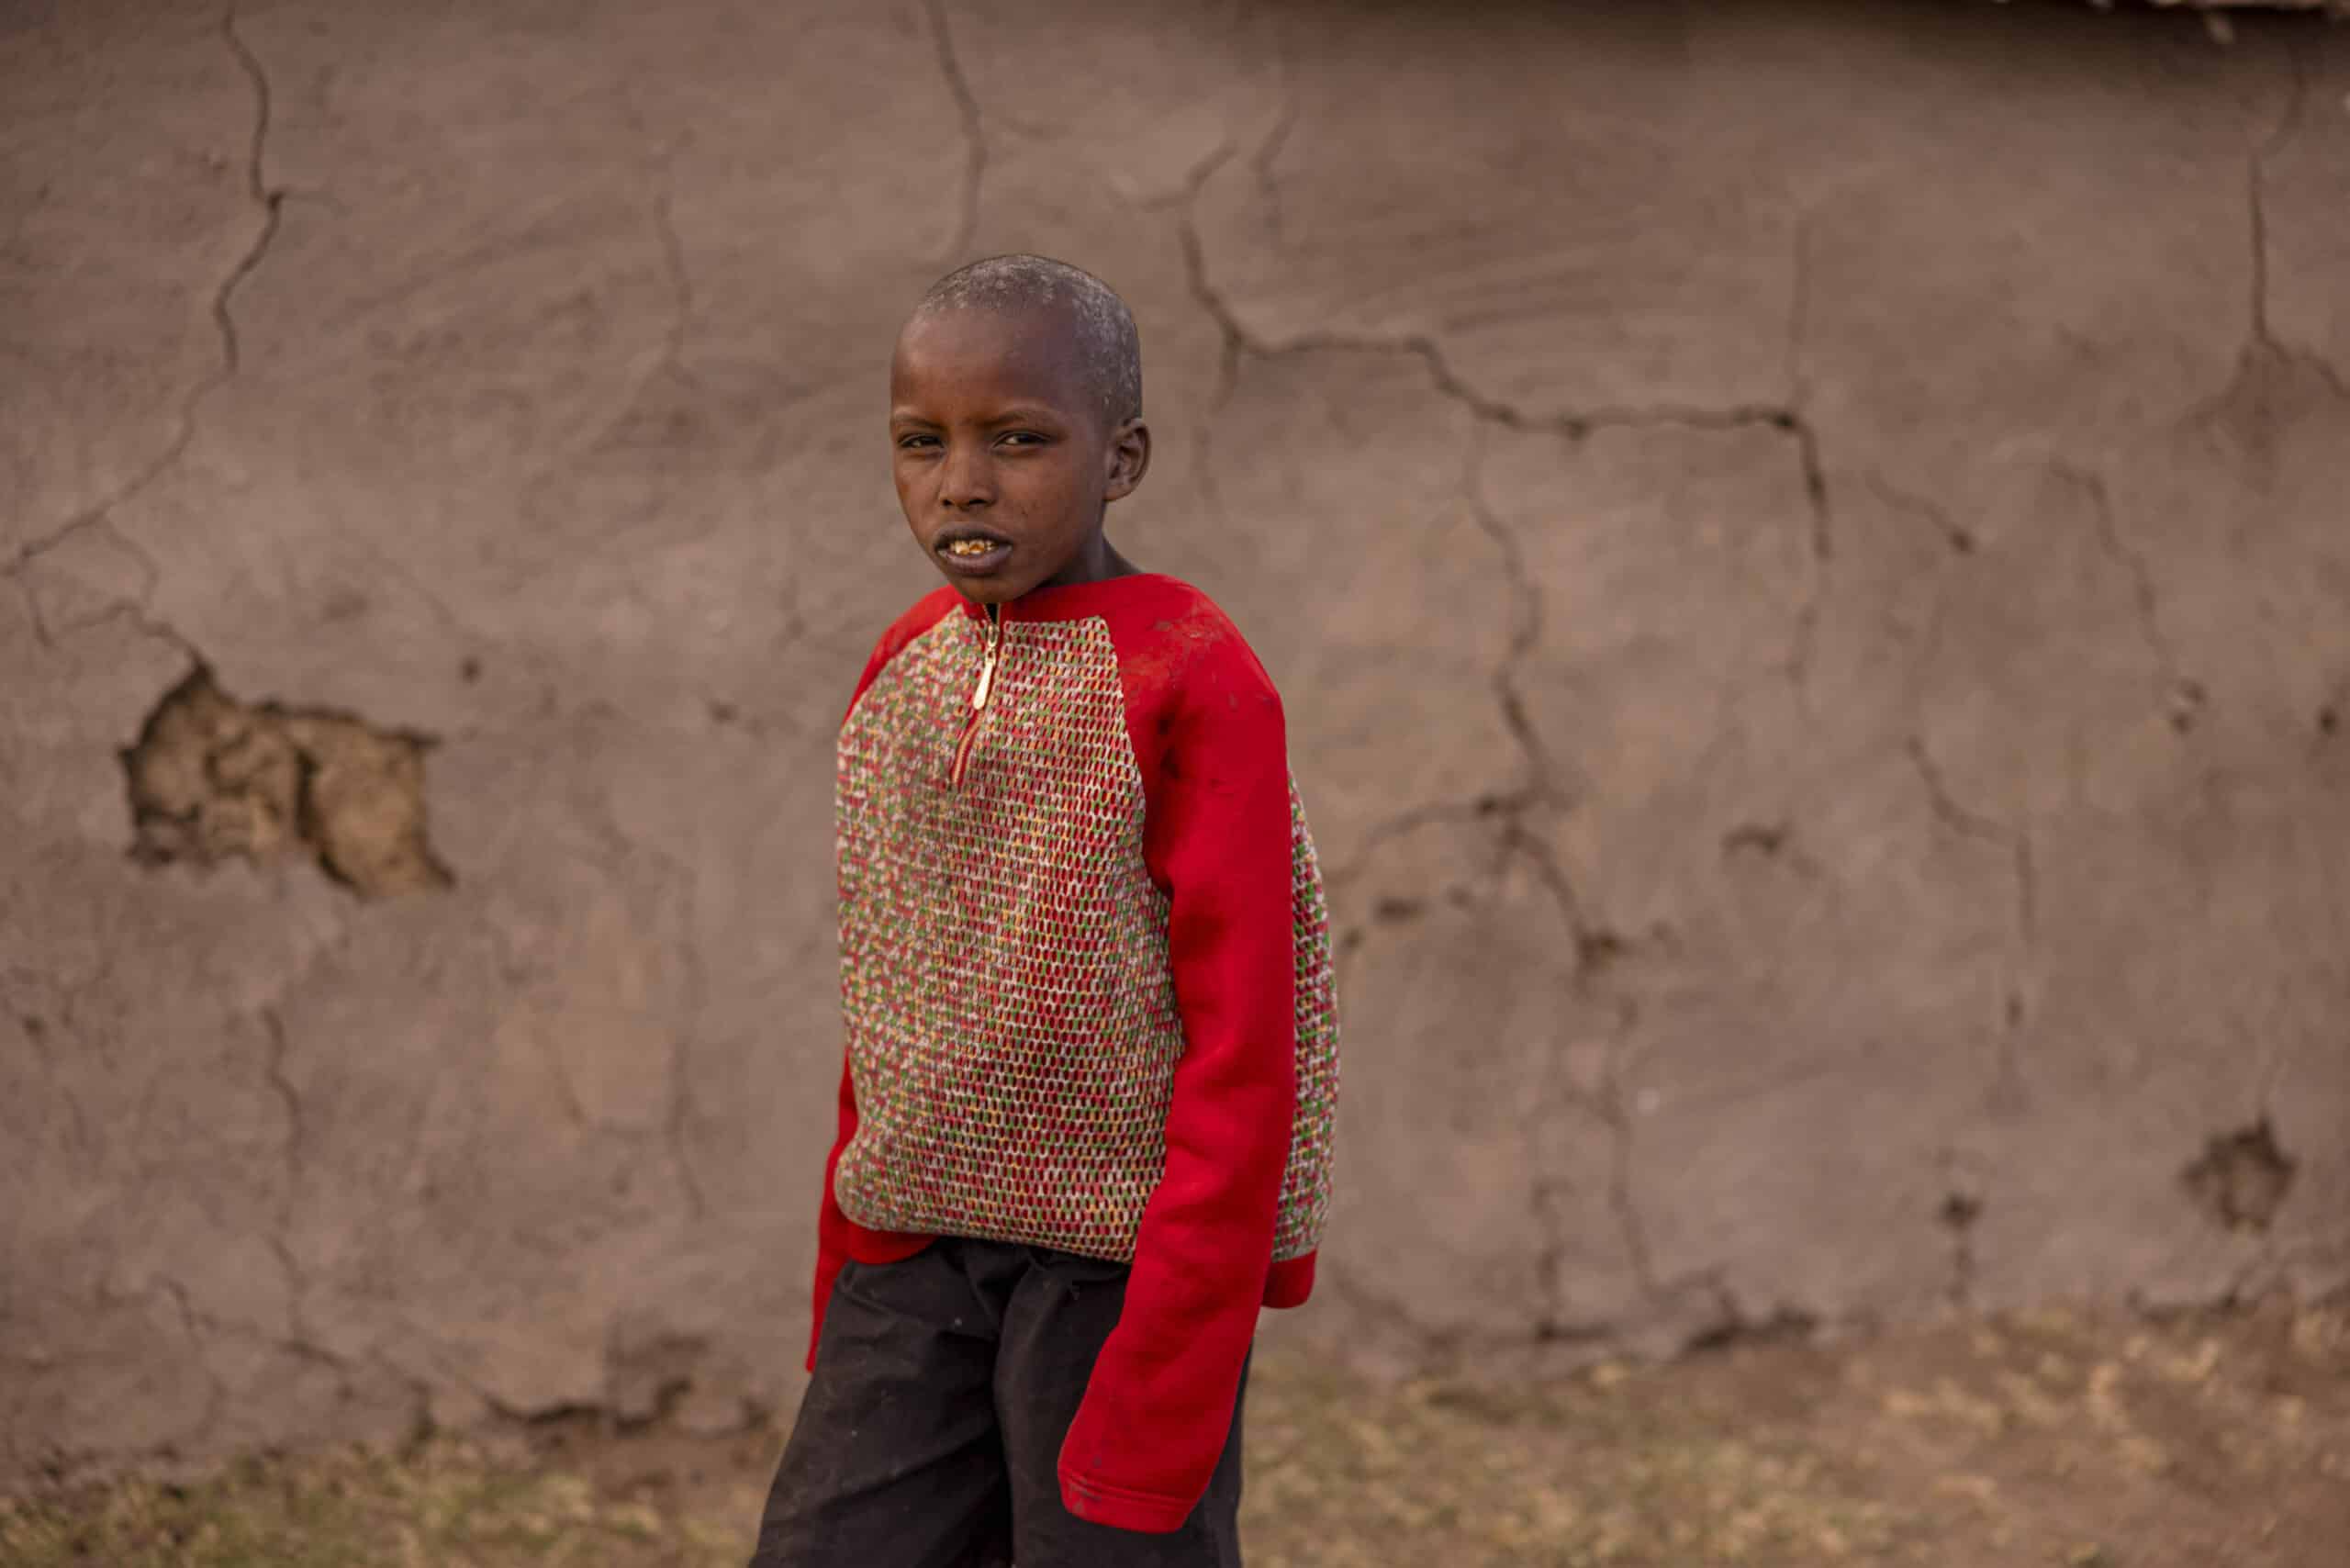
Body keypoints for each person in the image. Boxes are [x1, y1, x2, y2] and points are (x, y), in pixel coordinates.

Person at [747, 254, 1339, 1568]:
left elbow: (1252, 1048)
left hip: (1120, 1276)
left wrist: (1183, 1335)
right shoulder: (905, 667)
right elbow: (891, 1000)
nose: (963, 482)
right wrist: (848, 1283)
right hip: (913, 1260)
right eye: (923, 442)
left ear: (1121, 457)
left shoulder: (1194, 677)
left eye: (1018, 440)